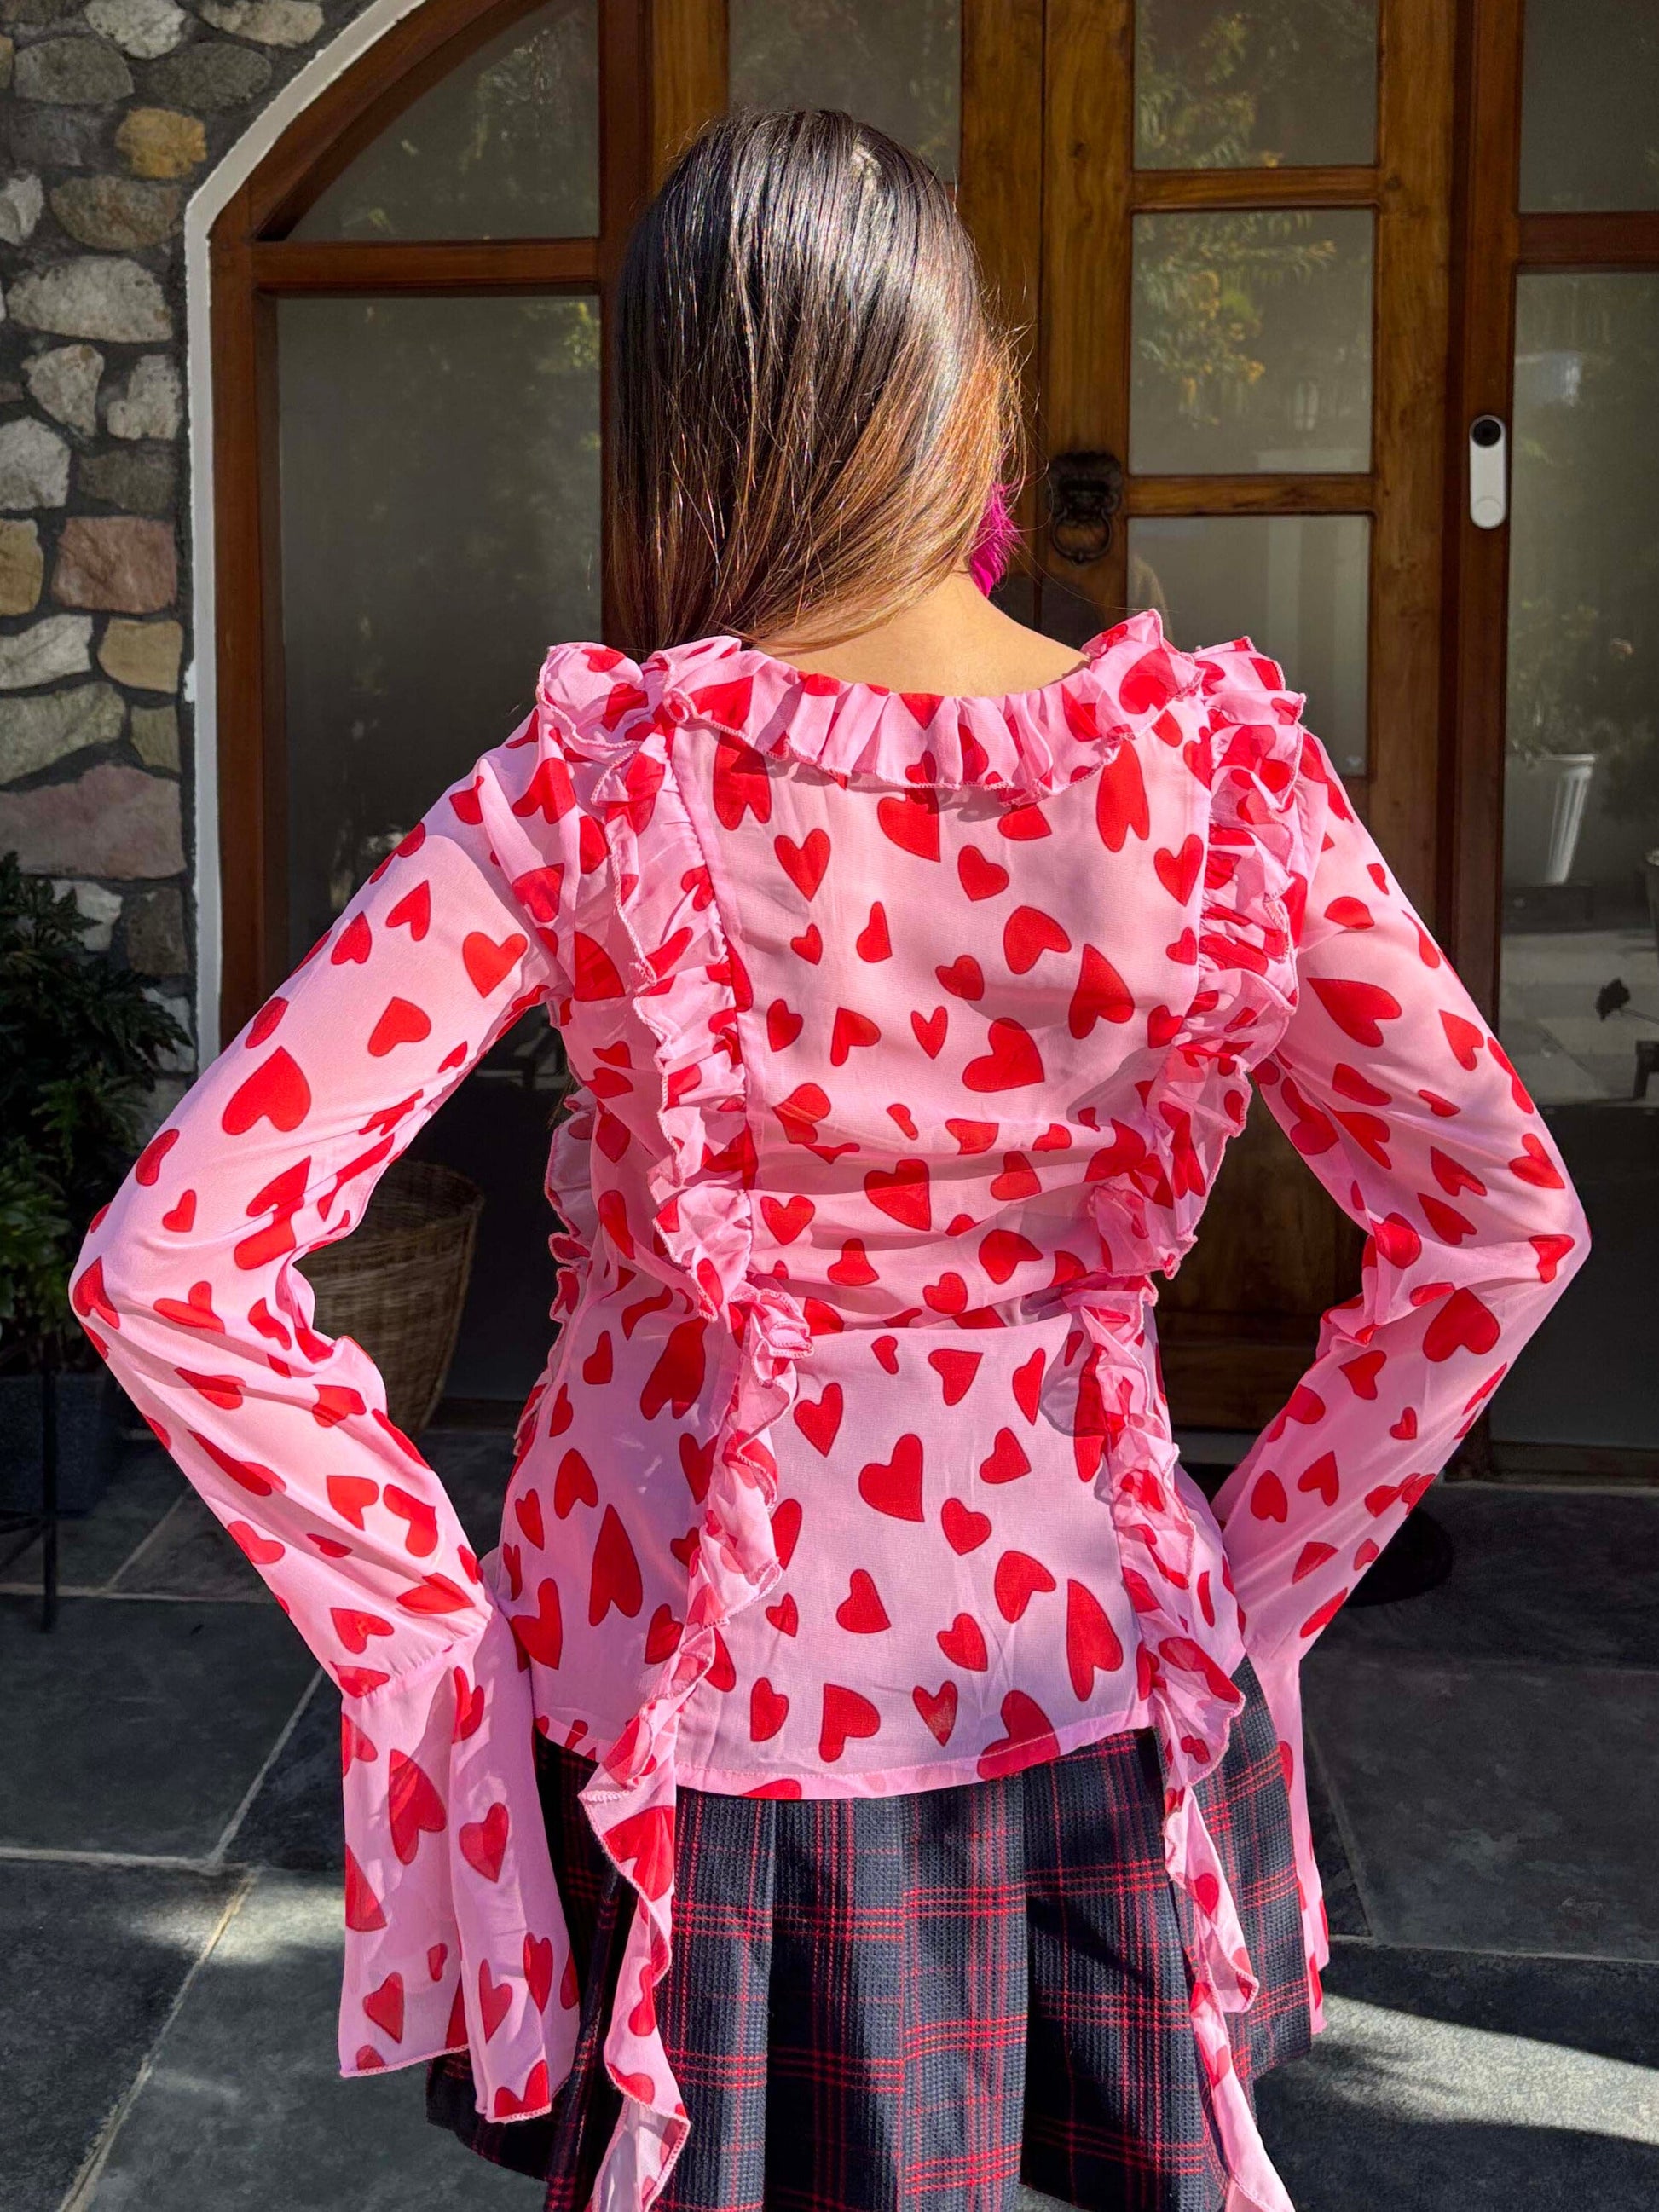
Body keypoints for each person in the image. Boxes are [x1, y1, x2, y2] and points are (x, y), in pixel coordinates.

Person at [72, 107, 1589, 2212]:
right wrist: (1255, 1588)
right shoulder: (1224, 784)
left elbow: (171, 1262)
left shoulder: (589, 789)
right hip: (1095, 1665)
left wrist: (427, 1646)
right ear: (978, 403)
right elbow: (1498, 1217)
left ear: (672, 437)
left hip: (661, 1713)